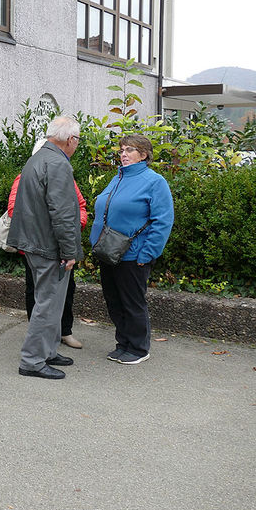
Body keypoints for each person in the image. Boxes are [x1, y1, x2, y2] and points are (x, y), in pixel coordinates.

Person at [6, 116, 83, 379]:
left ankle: (47, 351)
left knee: (49, 301)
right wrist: (70, 251)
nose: (77, 145)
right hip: (49, 246)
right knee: (48, 304)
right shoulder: (57, 163)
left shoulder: (38, 158)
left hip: (35, 243)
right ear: (70, 139)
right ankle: (32, 360)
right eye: (78, 140)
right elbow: (62, 213)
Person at [89, 134, 174, 365]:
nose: (123, 154)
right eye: (122, 150)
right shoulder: (117, 178)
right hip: (108, 252)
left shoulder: (154, 182)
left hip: (133, 254)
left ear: (144, 155)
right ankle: (123, 344)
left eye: (129, 150)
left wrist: (147, 253)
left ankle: (138, 348)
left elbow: (163, 221)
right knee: (114, 301)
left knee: (132, 302)